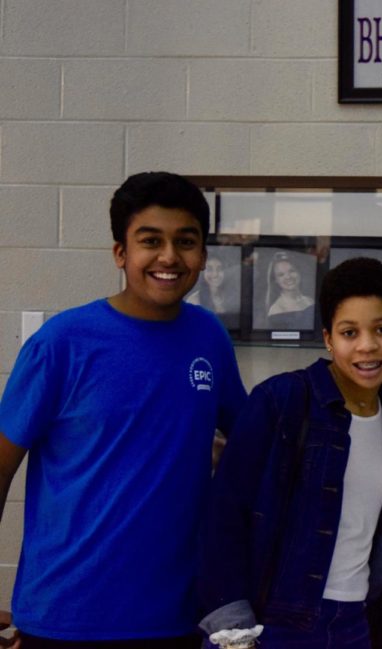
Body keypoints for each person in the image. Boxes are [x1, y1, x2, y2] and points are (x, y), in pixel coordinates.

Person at [0, 171, 248, 647]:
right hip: (64, 618)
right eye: (150, 241)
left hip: (177, 618)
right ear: (121, 253)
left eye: (186, 241)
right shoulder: (62, 344)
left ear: (203, 255)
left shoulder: (209, 338)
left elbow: (250, 438)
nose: (169, 257)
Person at [199, 257, 382, 649]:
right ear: (329, 339)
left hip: (354, 623)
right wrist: (232, 628)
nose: (367, 346)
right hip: (273, 623)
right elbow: (224, 516)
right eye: (350, 332)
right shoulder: (281, 400)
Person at [187, 251, 240, 329]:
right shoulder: (194, 301)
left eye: (219, 269)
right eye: (209, 269)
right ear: (203, 272)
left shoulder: (234, 297)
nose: (215, 274)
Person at [265, 251, 314, 330]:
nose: (288, 277)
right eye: (281, 275)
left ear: (299, 272)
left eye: (291, 271)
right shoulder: (276, 310)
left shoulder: (310, 301)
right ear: (276, 280)